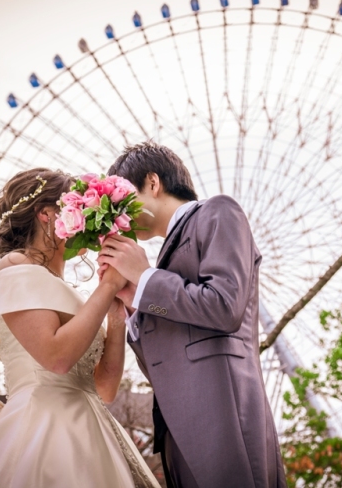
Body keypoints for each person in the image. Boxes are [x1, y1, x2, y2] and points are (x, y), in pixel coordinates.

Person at [0, 168, 159, 488]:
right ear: (47, 215)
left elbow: (104, 388)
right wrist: (105, 290)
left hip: (92, 427)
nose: (89, 221)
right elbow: (57, 357)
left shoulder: (72, 294)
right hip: (43, 427)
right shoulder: (14, 269)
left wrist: (115, 310)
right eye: (78, 209)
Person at [98, 143, 286, 488]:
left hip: (223, 411)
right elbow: (162, 359)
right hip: (176, 425)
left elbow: (225, 306)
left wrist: (145, 277)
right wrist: (134, 305)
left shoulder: (218, 212)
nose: (119, 216)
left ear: (153, 183)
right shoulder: (160, 264)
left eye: (123, 201)